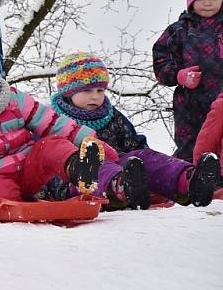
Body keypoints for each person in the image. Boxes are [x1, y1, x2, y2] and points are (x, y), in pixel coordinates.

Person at [0, 34, 115, 222]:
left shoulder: (13, 100)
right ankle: (15, 212)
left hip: (28, 167)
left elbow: (52, 122)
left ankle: (79, 168)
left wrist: (92, 140)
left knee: (51, 144)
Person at [51, 52, 221, 209]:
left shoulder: (112, 116)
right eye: (87, 90)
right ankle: (121, 187)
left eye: (100, 90)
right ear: (68, 92)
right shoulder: (54, 122)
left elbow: (134, 145)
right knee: (94, 164)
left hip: (122, 167)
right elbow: (45, 158)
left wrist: (147, 164)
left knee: (144, 156)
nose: (95, 96)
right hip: (78, 178)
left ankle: (188, 181)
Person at [153, 0, 223, 161]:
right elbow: (160, 61)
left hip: (222, 100)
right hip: (190, 105)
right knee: (190, 150)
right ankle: (188, 184)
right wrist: (179, 75)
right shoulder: (179, 31)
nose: (208, 4)